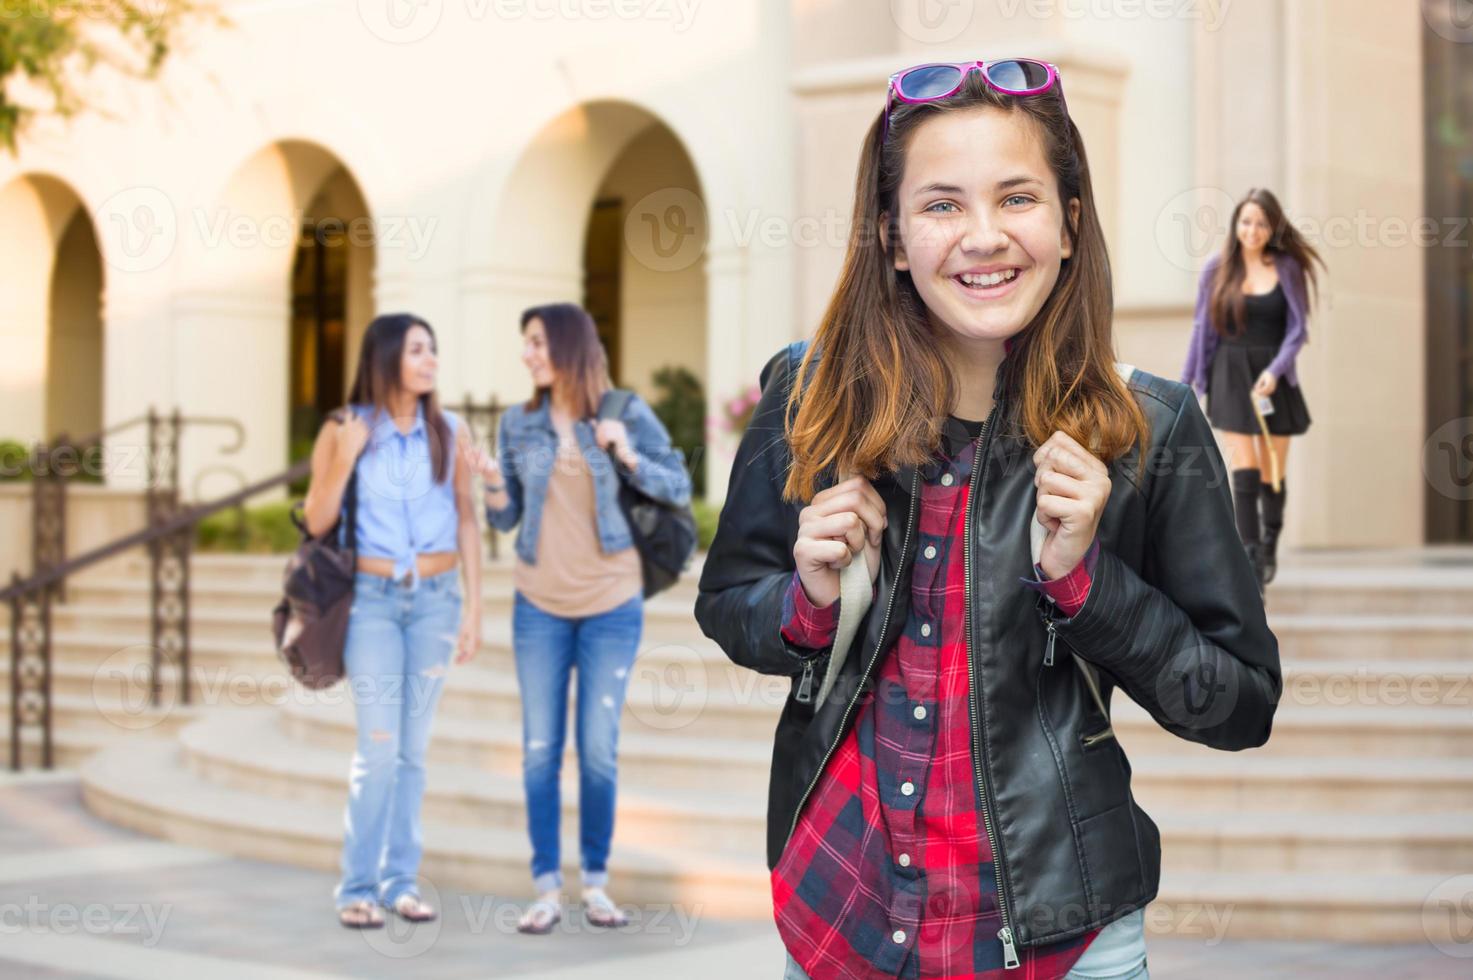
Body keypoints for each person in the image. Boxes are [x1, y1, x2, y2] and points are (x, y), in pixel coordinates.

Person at [694, 60, 1282, 979]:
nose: (982, 237)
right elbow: (728, 600)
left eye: (1016, 197)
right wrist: (804, 600)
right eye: (939, 206)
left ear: (1068, 223)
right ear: (891, 236)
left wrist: (1086, 583)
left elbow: (1239, 706)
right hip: (840, 914)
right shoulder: (808, 394)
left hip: (1062, 940)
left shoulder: (1150, 428)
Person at [465, 302, 693, 935]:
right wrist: (491, 484)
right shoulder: (519, 423)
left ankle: (594, 882)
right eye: (525, 344)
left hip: (611, 605)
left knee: (597, 750)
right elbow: (507, 521)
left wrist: (626, 456)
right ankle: (546, 886)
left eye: (536, 342)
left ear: (566, 345)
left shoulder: (623, 412)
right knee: (540, 751)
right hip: (538, 605)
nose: (527, 354)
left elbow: (676, 485)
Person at [302, 313, 482, 929]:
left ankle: (400, 882)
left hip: (435, 602)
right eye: (417, 349)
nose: (431, 359)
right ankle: (357, 884)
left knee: (412, 753)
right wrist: (345, 458)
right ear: (385, 358)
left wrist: (474, 607)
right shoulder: (343, 429)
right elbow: (317, 520)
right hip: (372, 603)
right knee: (378, 748)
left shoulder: (450, 430)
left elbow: (466, 520)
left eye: (434, 348)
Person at [1182, 187, 1324, 589]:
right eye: (1246, 221)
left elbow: (1298, 330)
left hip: (1273, 379)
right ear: (1236, 225)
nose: (1253, 229)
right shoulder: (1217, 269)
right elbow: (1201, 332)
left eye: (1261, 222)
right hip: (1230, 372)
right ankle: (1251, 562)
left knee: (1272, 472)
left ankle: (1269, 541)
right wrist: (1185, 383)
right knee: (1244, 470)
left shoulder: (1287, 268)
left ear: (1272, 226)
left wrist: (1277, 371)